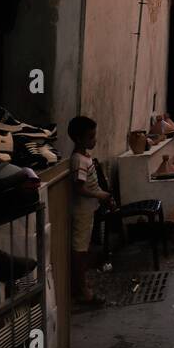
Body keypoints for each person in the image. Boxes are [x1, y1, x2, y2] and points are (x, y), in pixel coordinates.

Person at [68, 115, 114, 306]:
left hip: (88, 210)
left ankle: (82, 283)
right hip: (82, 212)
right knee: (79, 250)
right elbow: (78, 188)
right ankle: (82, 290)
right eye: (90, 137)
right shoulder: (79, 160)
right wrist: (99, 196)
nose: (94, 140)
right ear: (79, 139)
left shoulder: (85, 157)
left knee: (84, 248)